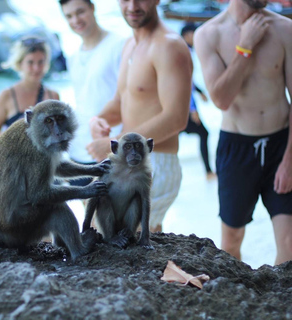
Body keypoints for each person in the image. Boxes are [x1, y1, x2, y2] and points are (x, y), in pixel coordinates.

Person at [194, 0, 292, 265]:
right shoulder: (208, 34)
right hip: (236, 149)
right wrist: (245, 47)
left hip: (282, 144)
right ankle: (236, 300)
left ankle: (279, 304)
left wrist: (289, 159)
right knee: (232, 240)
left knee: (289, 242)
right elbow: (221, 99)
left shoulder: (285, 29)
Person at [87, 0, 192, 233]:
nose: (132, 5)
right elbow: (120, 101)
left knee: (115, 239)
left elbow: (176, 117)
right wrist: (97, 120)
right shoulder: (130, 45)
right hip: (131, 160)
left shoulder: (168, 45)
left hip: (155, 162)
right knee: (140, 248)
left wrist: (112, 143)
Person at [59, 0, 126, 186]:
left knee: (112, 213)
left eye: (80, 12)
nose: (75, 20)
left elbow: (128, 99)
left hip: (110, 148)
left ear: (92, 8)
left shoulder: (119, 45)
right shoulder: (73, 56)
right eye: (69, 16)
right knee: (87, 214)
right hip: (78, 151)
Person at [0, 37, 60, 143]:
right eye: (30, 62)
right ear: (20, 63)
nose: (36, 68)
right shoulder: (7, 95)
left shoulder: (53, 96)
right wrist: (16, 138)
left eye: (40, 62)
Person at [180, 23, 216, 180]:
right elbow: (183, 83)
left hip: (178, 106)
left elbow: (189, 81)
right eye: (194, 35)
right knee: (204, 133)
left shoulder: (182, 50)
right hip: (183, 107)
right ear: (187, 35)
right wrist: (192, 109)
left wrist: (200, 91)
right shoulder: (184, 52)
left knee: (170, 137)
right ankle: (208, 172)